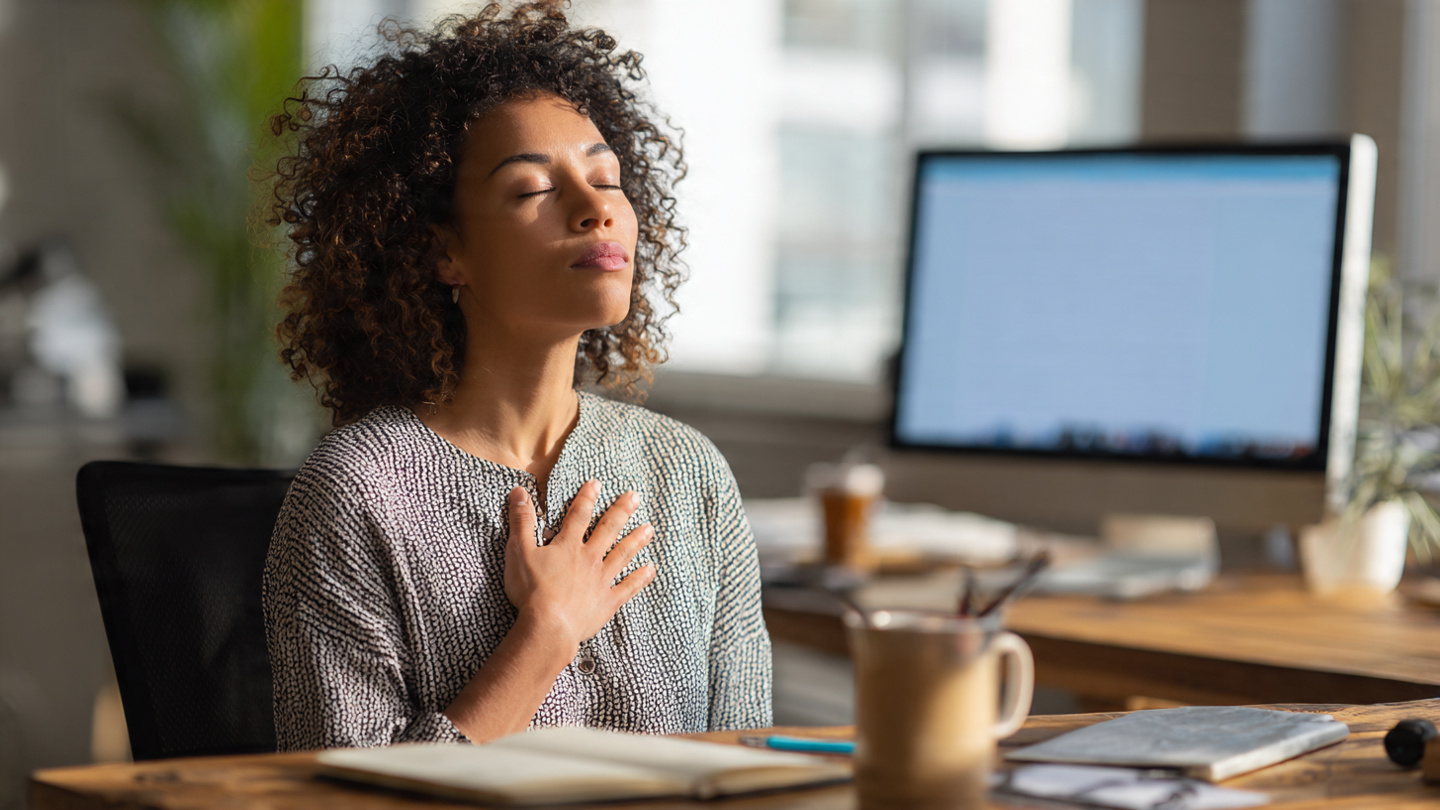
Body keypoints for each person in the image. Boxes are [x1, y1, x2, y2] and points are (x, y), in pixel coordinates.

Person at [261, 2, 772, 751]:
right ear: (444, 253)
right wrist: (547, 634)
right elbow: (343, 802)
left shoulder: (689, 474)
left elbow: (750, 765)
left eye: (608, 178)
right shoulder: (355, 495)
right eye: (534, 188)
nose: (597, 207)